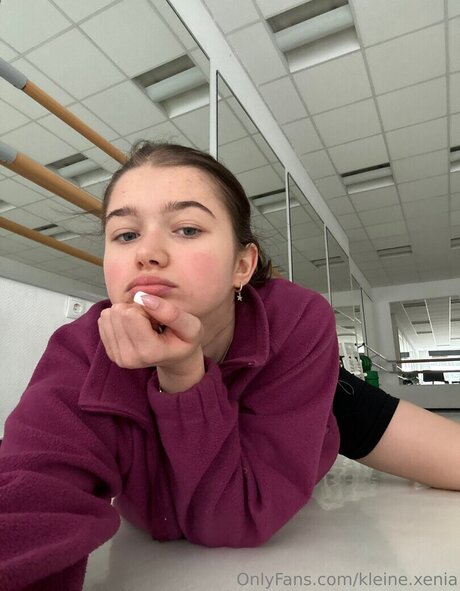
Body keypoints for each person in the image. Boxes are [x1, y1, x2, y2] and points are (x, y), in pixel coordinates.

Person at [1, 142, 460, 590]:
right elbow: (30, 496)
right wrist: (182, 373)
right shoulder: (82, 351)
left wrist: (184, 377)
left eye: (187, 229)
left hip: (297, 383)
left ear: (242, 265)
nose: (147, 253)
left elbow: (241, 515)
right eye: (126, 235)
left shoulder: (296, 321)